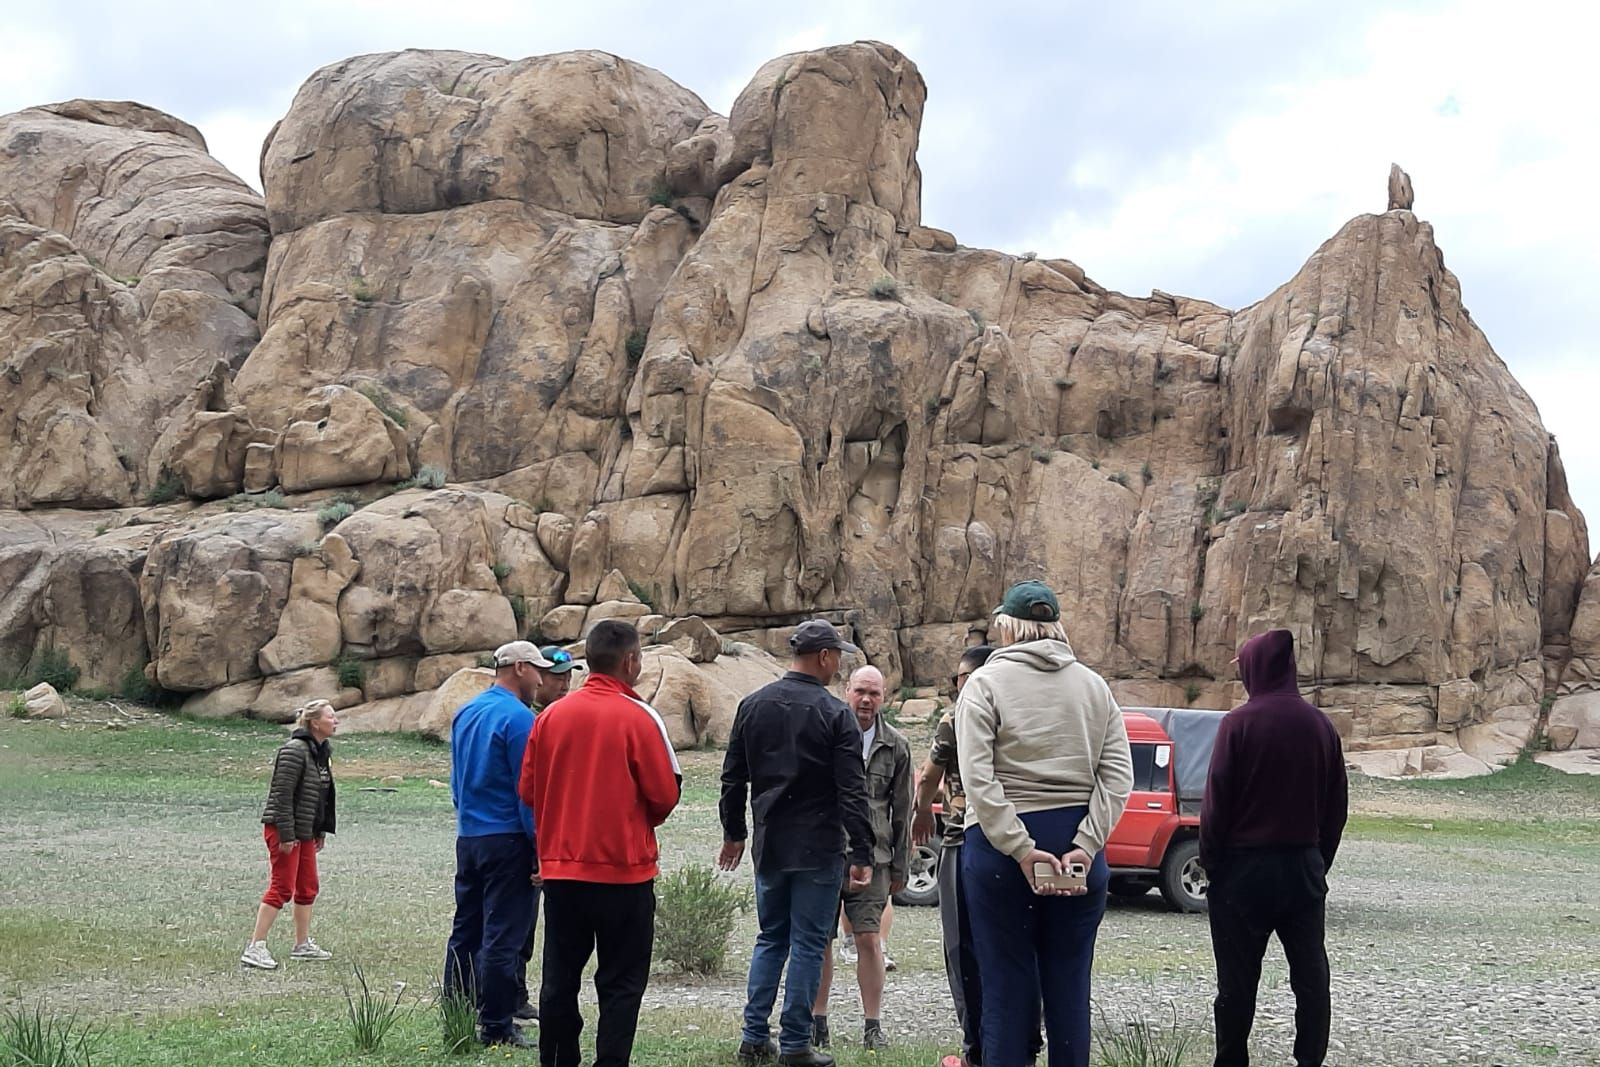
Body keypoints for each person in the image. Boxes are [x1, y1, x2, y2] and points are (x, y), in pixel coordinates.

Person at [957, 580, 1133, 1067]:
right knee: (1070, 986)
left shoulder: (984, 686)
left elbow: (978, 777)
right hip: (1077, 847)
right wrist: (1086, 844)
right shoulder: (1095, 687)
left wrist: (1020, 848)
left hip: (1001, 855)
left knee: (1006, 988)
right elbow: (1119, 775)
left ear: (1008, 627)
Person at [519, 620, 682, 1067]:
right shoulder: (639, 716)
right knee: (621, 984)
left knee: (559, 980)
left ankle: (557, 1060)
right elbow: (665, 794)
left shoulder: (550, 717)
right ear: (630, 661)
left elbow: (529, 791)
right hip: (625, 874)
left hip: (563, 875)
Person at [719, 619, 874, 1067]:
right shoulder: (835, 714)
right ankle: (794, 1044)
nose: (838, 664)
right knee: (808, 943)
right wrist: (861, 853)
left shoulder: (753, 704)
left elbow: (733, 777)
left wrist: (734, 832)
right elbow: (852, 790)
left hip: (770, 842)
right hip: (819, 846)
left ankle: (753, 1036)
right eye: (837, 656)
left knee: (771, 938)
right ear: (824, 657)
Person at [1201, 629, 1348, 1067]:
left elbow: (1216, 803)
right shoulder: (1321, 725)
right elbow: (1336, 806)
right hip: (1302, 866)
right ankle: (1309, 1060)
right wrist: (1319, 862)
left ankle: (1231, 1062)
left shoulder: (1238, 724)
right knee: (1311, 976)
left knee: (1236, 983)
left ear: (1254, 669)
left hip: (1243, 872)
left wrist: (1213, 864)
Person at [914, 647, 1044, 1067]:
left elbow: (927, 778)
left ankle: (977, 1050)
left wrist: (919, 814)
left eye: (961, 678)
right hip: (1019, 841)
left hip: (962, 840)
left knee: (963, 950)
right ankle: (1024, 1043)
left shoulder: (956, 717)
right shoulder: (1022, 712)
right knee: (1019, 947)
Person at [444, 640, 551, 1050]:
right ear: (520, 668)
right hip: (508, 839)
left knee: (464, 932)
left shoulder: (466, 712)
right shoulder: (520, 719)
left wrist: (467, 815)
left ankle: (456, 1015)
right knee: (503, 937)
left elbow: (456, 781)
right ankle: (497, 1026)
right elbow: (529, 792)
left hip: (469, 836)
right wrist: (540, 848)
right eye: (537, 670)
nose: (541, 679)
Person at [812, 665, 911, 1052]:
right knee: (820, 938)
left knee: (869, 939)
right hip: (825, 853)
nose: (866, 700)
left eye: (874, 693)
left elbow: (903, 809)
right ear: (846, 690)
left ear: (883, 698)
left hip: (876, 857)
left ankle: (873, 1025)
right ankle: (818, 1021)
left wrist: (900, 867)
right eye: (860, 692)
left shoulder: (897, 745)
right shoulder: (825, 735)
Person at [511, 644, 580, 1027]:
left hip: (542, 835)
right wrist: (540, 848)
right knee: (518, 923)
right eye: (556, 677)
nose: (563, 684)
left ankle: (513, 993)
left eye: (568, 677)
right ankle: (511, 995)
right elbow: (528, 789)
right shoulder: (532, 720)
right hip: (529, 835)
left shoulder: (558, 716)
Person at [242, 699, 339, 970]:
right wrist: (286, 834)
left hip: (305, 831)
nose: (336, 721)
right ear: (314, 722)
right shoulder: (294, 751)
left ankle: (302, 944)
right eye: (331, 716)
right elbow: (282, 795)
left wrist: (319, 830)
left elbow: (320, 796)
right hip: (285, 829)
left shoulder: (321, 751)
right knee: (282, 887)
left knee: (308, 886)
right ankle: (255, 947)